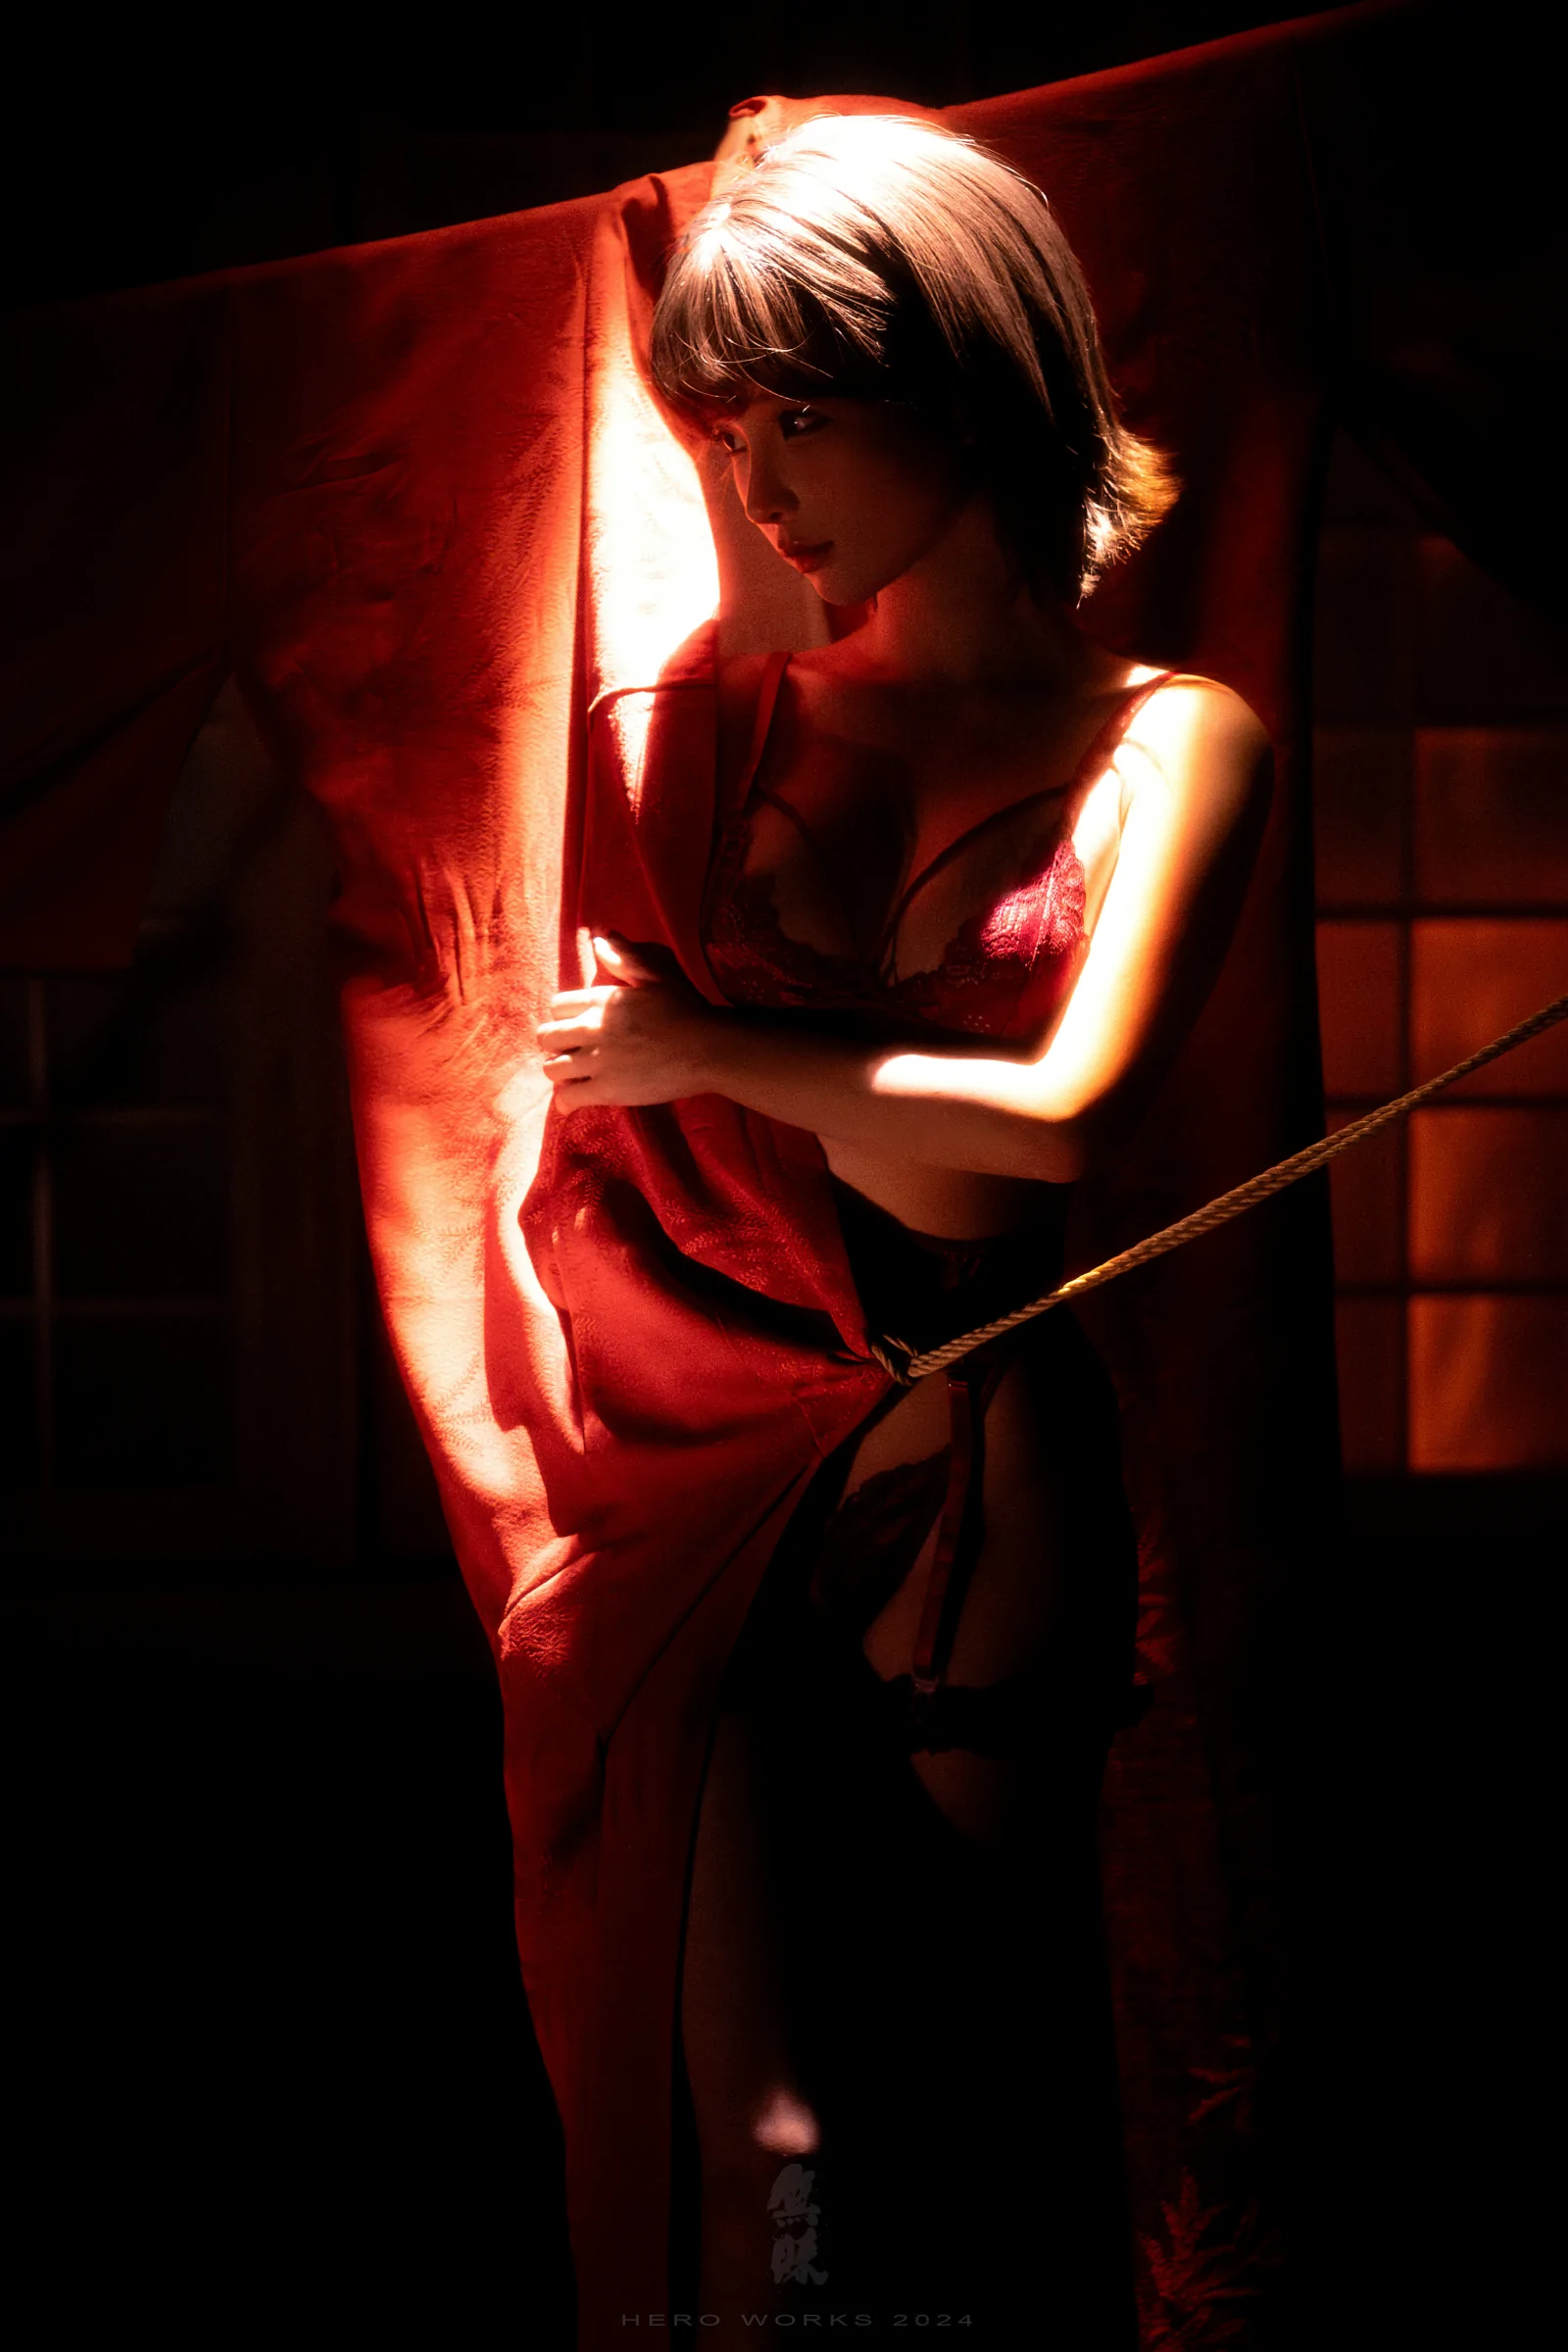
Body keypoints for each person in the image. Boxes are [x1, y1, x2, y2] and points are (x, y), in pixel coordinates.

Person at [534, 114, 1271, 2341]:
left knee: (967, 2092)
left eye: (802, 417)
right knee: (762, 2152)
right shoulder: (712, 723)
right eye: (726, 430)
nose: (758, 486)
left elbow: (1052, 1122)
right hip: (714, 1481)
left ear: (963, 376)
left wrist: (708, 1048)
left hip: (989, 1475)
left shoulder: (1175, 741)